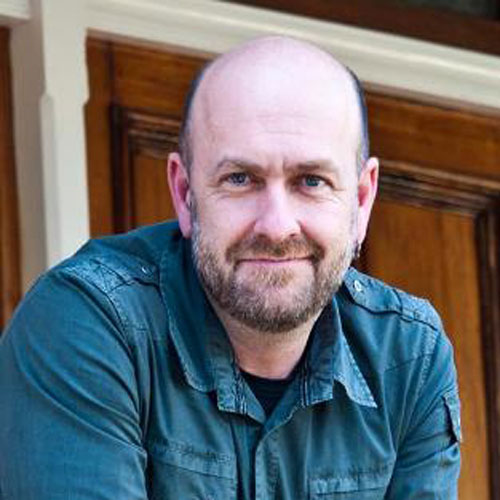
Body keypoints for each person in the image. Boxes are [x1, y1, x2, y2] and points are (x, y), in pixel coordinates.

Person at [0, 36, 461, 499]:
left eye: (312, 181)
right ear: (184, 193)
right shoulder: (88, 322)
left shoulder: (409, 357)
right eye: (240, 179)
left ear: (361, 200)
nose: (277, 227)